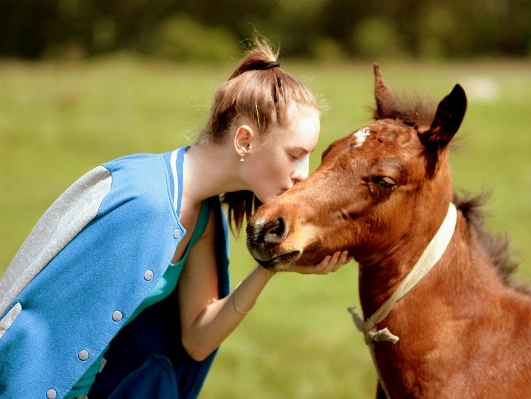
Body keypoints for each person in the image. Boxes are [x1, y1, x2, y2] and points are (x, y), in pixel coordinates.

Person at [0, 38, 349, 399]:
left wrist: (270, 266)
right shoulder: (144, 201)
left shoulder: (204, 217)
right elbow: (35, 325)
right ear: (244, 141)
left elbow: (197, 338)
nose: (303, 175)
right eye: (295, 154)